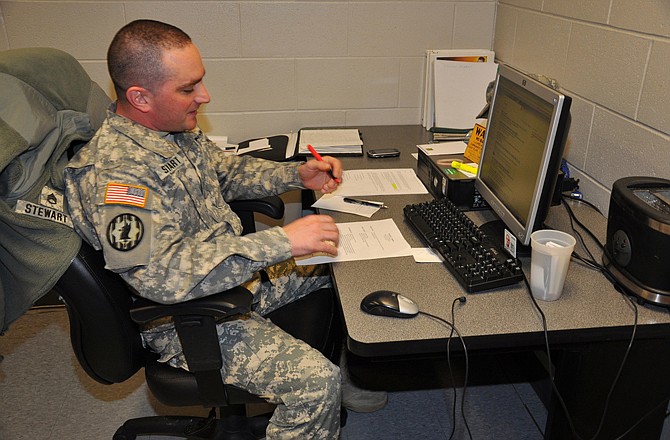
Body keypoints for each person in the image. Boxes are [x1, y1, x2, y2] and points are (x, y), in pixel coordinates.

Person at [64, 19, 383, 439]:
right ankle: (324, 395)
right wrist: (282, 240)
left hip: (238, 278)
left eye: (200, 82)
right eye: (187, 88)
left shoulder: (170, 130)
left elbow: (226, 173)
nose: (204, 96)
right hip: (191, 317)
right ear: (140, 97)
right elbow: (160, 276)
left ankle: (349, 381)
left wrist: (295, 176)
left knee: (344, 269)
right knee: (313, 384)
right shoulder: (116, 176)